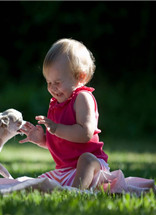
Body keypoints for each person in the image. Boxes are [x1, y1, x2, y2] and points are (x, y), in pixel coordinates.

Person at [19, 38, 109, 190]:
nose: (53, 88)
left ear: (80, 76)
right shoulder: (56, 104)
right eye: (49, 83)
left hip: (92, 169)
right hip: (66, 171)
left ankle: (76, 192)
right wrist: (42, 140)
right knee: (34, 185)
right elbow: (62, 142)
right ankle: (73, 188)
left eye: (58, 82)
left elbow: (85, 134)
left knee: (86, 159)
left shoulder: (82, 98)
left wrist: (56, 128)